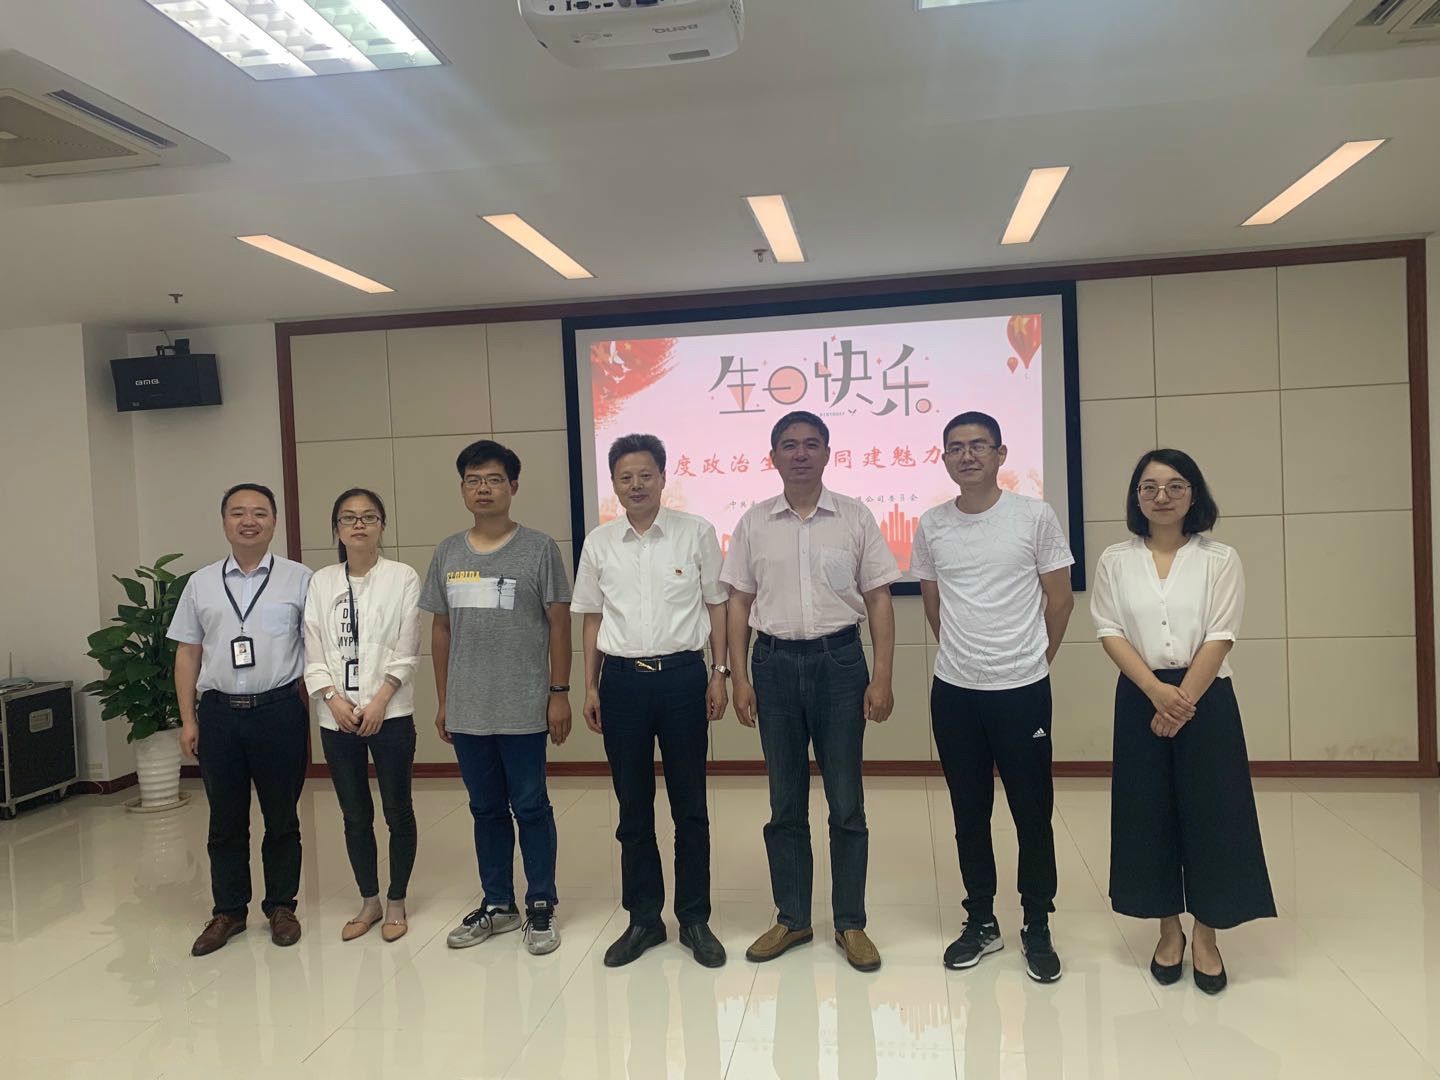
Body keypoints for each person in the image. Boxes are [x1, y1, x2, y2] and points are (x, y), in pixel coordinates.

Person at [721, 410, 900, 973]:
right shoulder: (753, 522)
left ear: (827, 453)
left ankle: (850, 923)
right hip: (772, 665)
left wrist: (882, 675)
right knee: (785, 802)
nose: (800, 453)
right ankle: (793, 917)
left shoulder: (854, 517)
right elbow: (739, 604)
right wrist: (739, 677)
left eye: (811, 444)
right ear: (773, 455)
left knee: (846, 801)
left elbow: (878, 598)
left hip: (840, 663)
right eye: (789, 445)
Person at [1091, 449, 1275, 994]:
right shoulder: (1115, 560)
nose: (1162, 496)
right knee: (1147, 815)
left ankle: (1207, 936)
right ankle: (1168, 930)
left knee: (1213, 815)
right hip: (1140, 695)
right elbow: (1108, 630)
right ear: (1136, 498)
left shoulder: (1219, 559)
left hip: (1206, 698)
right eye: (1149, 487)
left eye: (1175, 485)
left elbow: (1221, 634)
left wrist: (1183, 701)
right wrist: (1155, 692)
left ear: (1194, 494)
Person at [911, 412, 1074, 983]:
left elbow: (1060, 599)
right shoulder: (932, 524)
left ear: (1001, 454)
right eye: (956, 448)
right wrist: (965, 655)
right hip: (955, 691)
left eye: (979, 445)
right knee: (968, 809)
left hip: (1021, 689)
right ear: (945, 459)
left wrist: (1034, 659)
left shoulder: (1034, 515)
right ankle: (981, 918)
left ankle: (1037, 922)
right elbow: (933, 604)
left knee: (1032, 810)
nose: (968, 455)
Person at [573, 434, 731, 969]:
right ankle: (644, 918)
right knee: (632, 808)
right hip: (621, 683)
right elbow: (593, 618)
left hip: (683, 678)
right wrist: (590, 685)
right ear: (614, 484)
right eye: (625, 477)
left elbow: (717, 607)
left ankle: (694, 918)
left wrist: (720, 674)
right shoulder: (599, 543)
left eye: (645, 475)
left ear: (663, 478)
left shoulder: (696, 533)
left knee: (690, 806)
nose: (636, 485)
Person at [422, 439, 573, 956]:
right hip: (468, 709)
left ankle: (540, 903)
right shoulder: (448, 551)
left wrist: (558, 693)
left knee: (530, 807)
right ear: (462, 488)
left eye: (493, 479)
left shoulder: (539, 548)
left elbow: (558, 625)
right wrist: (444, 700)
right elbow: (441, 630)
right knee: (485, 809)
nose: (482, 488)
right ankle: (498, 904)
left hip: (523, 706)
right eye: (472, 480)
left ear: (513, 486)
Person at [170, 483, 313, 956]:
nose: (248, 521)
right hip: (219, 714)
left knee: (282, 817)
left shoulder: (300, 579)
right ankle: (228, 911)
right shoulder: (201, 583)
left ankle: (281, 907)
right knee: (225, 819)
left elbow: (317, 647)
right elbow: (188, 653)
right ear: (224, 522)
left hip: (279, 711)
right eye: (238, 513)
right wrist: (188, 719)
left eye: (259, 512)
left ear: (274, 522)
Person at [302, 488, 422, 943]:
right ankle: (369, 901)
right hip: (337, 717)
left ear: (382, 526)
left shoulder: (402, 577)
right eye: (349, 518)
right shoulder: (322, 582)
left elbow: (408, 645)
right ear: (336, 528)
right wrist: (333, 699)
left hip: (390, 712)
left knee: (397, 810)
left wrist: (380, 699)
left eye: (369, 517)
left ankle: (396, 901)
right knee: (354, 814)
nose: (359, 525)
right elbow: (313, 645)